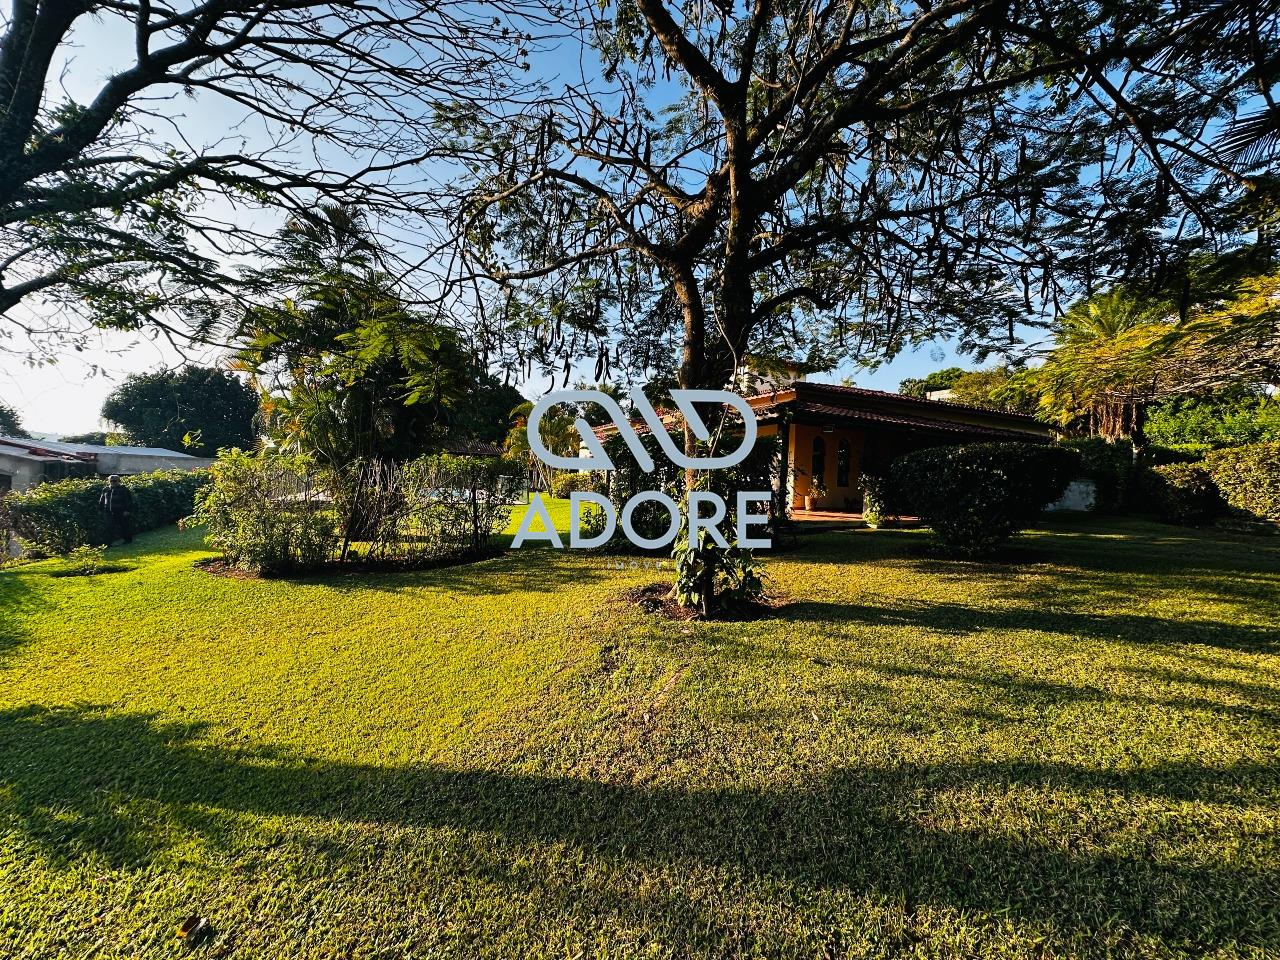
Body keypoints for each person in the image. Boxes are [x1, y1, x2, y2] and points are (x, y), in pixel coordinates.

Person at [99, 474, 134, 545]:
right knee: (109, 527)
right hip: (108, 512)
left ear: (118, 481)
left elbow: (129, 501)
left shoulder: (124, 489)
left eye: (114, 481)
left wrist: (127, 510)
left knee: (124, 526)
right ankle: (108, 543)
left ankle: (128, 540)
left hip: (121, 511)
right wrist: (101, 509)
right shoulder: (106, 489)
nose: (112, 482)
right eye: (111, 481)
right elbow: (102, 500)